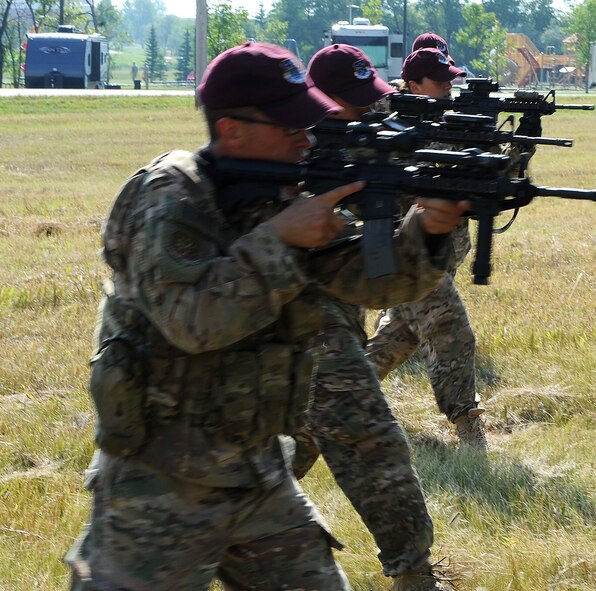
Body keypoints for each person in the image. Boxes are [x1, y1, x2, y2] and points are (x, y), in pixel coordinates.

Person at [65, 41, 468, 591]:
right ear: (233, 131)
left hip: (256, 470)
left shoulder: (282, 192)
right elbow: (192, 321)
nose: (306, 138)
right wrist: (280, 239)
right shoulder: (169, 196)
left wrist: (428, 230)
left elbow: (374, 283)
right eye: (290, 127)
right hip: (161, 479)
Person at [283, 43, 446, 591]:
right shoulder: (285, 160)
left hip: (333, 318)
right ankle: (414, 573)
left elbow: (379, 272)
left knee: (295, 443)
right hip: (303, 327)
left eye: (366, 99)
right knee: (372, 443)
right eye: (349, 103)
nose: (362, 112)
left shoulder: (363, 138)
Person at [365, 46, 489, 452]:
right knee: (451, 331)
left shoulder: (441, 118)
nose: (449, 90)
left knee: (398, 338)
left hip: (434, 253)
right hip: (406, 253)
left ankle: (333, 398)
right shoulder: (388, 122)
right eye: (440, 83)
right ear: (413, 84)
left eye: (452, 81)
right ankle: (468, 426)